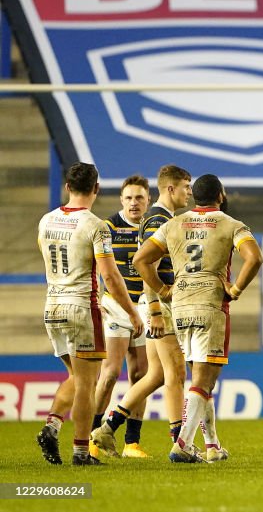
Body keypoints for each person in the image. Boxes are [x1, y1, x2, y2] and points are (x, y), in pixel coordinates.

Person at [133, 173, 263, 463]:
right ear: (220, 196)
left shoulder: (173, 224)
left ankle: (213, 445)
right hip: (210, 305)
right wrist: (237, 289)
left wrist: (162, 290)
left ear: (194, 196)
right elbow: (254, 258)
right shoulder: (231, 225)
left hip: (180, 306)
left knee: (200, 382)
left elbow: (140, 259)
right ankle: (182, 444)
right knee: (204, 381)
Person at [35, 162, 143, 466]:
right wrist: (131, 312)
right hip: (81, 306)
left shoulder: (46, 220)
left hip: (52, 305)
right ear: (96, 189)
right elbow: (109, 275)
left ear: (68, 187)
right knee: (87, 383)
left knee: (77, 376)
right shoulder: (96, 225)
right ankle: (81, 451)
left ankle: (52, 426)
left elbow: (44, 252)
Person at [91, 165, 203, 458]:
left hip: (155, 306)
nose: (189, 193)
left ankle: (106, 428)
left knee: (153, 374)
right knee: (175, 373)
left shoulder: (162, 218)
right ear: (170, 189)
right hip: (159, 307)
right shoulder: (158, 219)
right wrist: (155, 305)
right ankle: (181, 444)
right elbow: (145, 264)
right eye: (185, 187)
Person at [89, 175, 152, 459]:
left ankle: (131, 443)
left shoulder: (154, 228)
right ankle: (93, 436)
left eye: (139, 197)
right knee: (111, 372)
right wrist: (96, 296)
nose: (134, 203)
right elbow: (92, 264)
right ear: (121, 200)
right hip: (115, 305)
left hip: (146, 306)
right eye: (128, 198)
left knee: (141, 374)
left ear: (148, 199)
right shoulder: (108, 227)